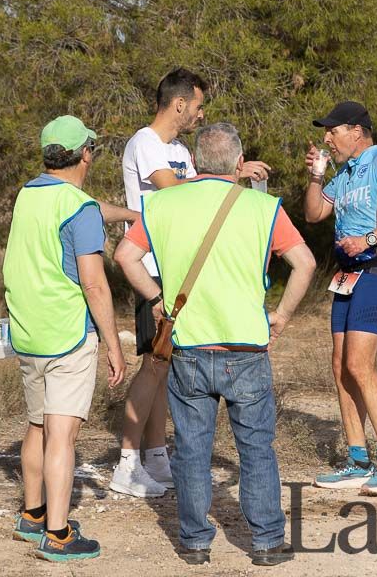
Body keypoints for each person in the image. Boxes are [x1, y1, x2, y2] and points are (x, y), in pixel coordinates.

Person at [114, 122, 314, 566]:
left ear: (194, 163)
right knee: (256, 448)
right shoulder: (263, 208)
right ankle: (265, 542)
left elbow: (125, 256)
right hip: (246, 348)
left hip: (188, 346)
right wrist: (280, 315)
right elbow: (305, 262)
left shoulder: (162, 204)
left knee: (191, 448)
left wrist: (156, 298)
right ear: (240, 164)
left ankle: (195, 541)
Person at [111, 69, 270, 498]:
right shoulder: (145, 143)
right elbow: (173, 191)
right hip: (153, 268)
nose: (201, 115)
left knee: (169, 365)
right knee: (153, 362)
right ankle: (126, 463)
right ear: (179, 104)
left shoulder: (180, 148)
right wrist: (231, 178)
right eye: (198, 106)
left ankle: (157, 454)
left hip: (180, 268)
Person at [3, 116, 132, 562]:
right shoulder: (80, 208)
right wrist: (114, 344)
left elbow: (89, 208)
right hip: (68, 332)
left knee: (37, 425)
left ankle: (32, 515)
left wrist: (134, 214)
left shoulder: (29, 195)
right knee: (63, 433)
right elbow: (95, 286)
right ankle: (57, 535)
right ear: (86, 154)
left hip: (28, 330)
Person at [304, 101, 377, 496]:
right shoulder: (346, 173)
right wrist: (316, 177)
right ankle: (358, 460)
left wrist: (368, 239)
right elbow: (314, 214)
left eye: (333, 130)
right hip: (348, 272)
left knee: (359, 362)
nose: (327, 137)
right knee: (340, 365)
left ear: (356, 131)